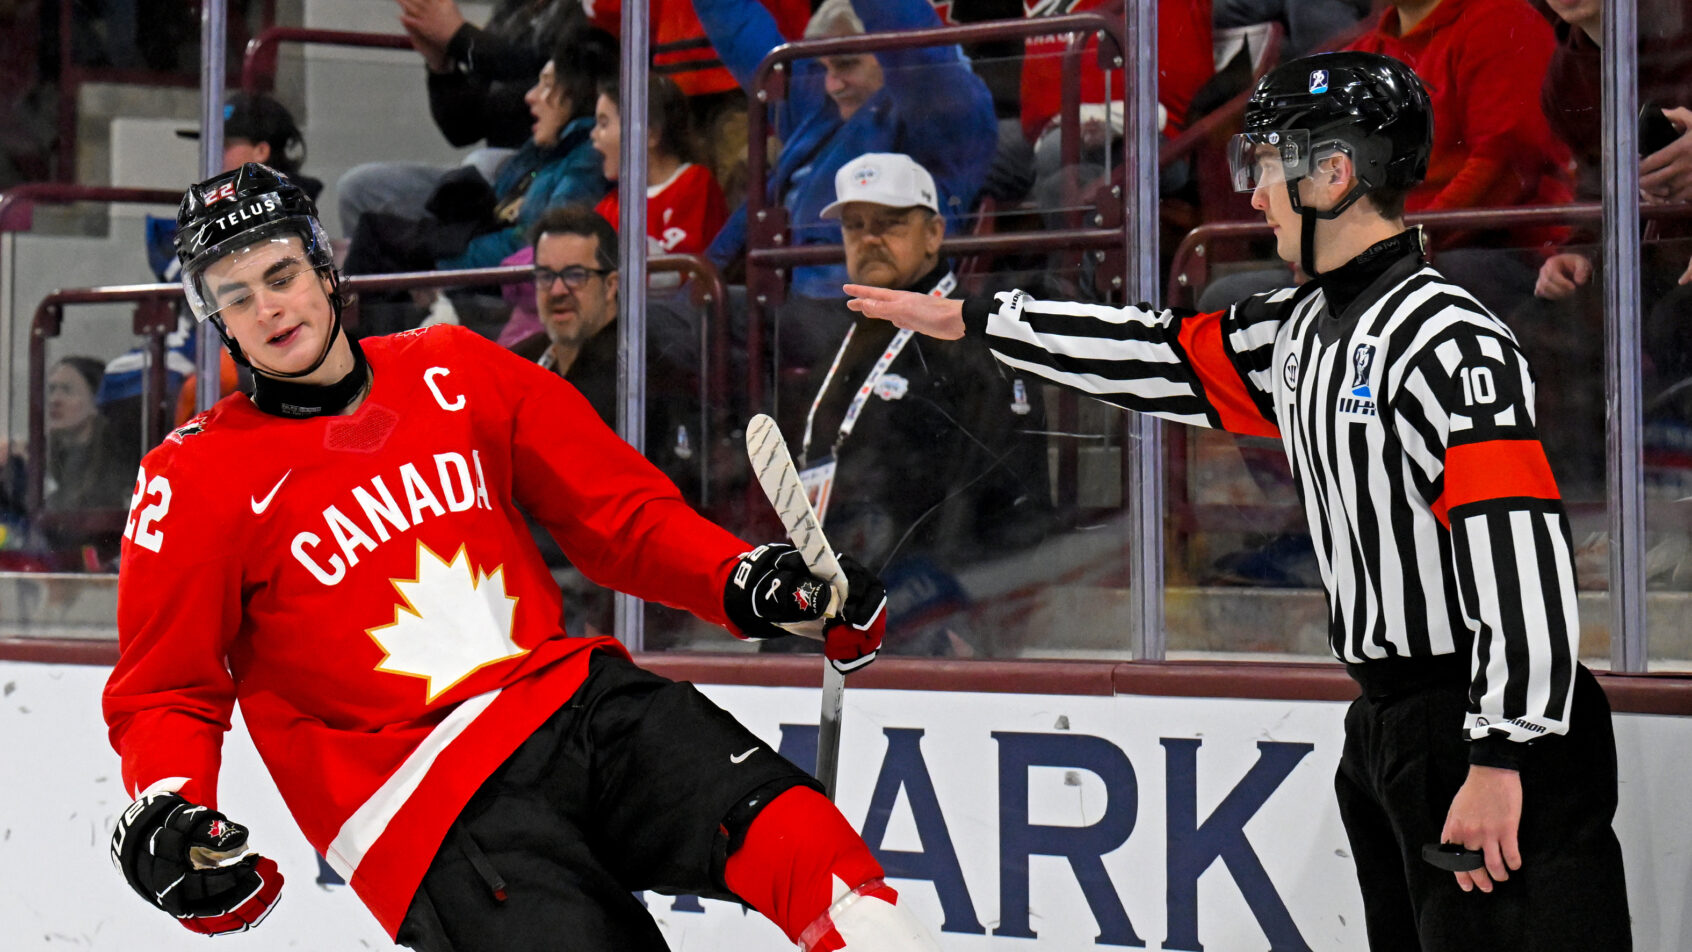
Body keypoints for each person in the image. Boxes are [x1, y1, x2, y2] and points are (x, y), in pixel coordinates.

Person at [846, 51, 1630, 950]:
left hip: (1483, 731)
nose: (1253, 195)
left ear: (1333, 174)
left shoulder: (1446, 341)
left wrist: (1504, 751)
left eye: (1265, 166)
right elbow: (1160, 352)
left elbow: (1517, 551)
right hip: (1390, 727)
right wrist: (978, 320)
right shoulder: (1301, 332)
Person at [102, 163, 934, 951]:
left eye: (280, 275)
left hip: (573, 701)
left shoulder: (451, 367)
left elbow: (619, 513)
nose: (268, 309)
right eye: (235, 296)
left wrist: (746, 580)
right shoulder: (193, 476)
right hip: (427, 809)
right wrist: (171, 804)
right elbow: (166, 688)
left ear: (323, 268)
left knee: (801, 841)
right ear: (214, 317)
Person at [783, 153, 1051, 656]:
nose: (869, 237)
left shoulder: (975, 347)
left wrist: (953, 599)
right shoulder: (846, 341)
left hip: (935, 605)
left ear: (933, 234)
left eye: (889, 223)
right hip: (845, 588)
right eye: (855, 225)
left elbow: (997, 502)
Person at [692, 0, 997, 301]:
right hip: (773, 305)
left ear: (889, 54)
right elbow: (736, 26)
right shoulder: (816, 104)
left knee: (662, 327)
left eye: (846, 64)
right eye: (823, 68)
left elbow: (909, 37)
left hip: (856, 311)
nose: (832, 85)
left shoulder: (944, 110)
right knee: (654, 319)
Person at [337, 0, 583, 237]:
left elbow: (540, 68)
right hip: (496, 174)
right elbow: (462, 130)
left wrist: (458, 36)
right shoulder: (513, 9)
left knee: (480, 165)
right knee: (360, 188)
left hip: (546, 169)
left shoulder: (586, 11)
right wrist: (442, 66)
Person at [590, 72, 728, 258]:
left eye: (604, 124)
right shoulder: (608, 208)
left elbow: (681, 269)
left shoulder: (694, 184)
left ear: (650, 133)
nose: (593, 134)